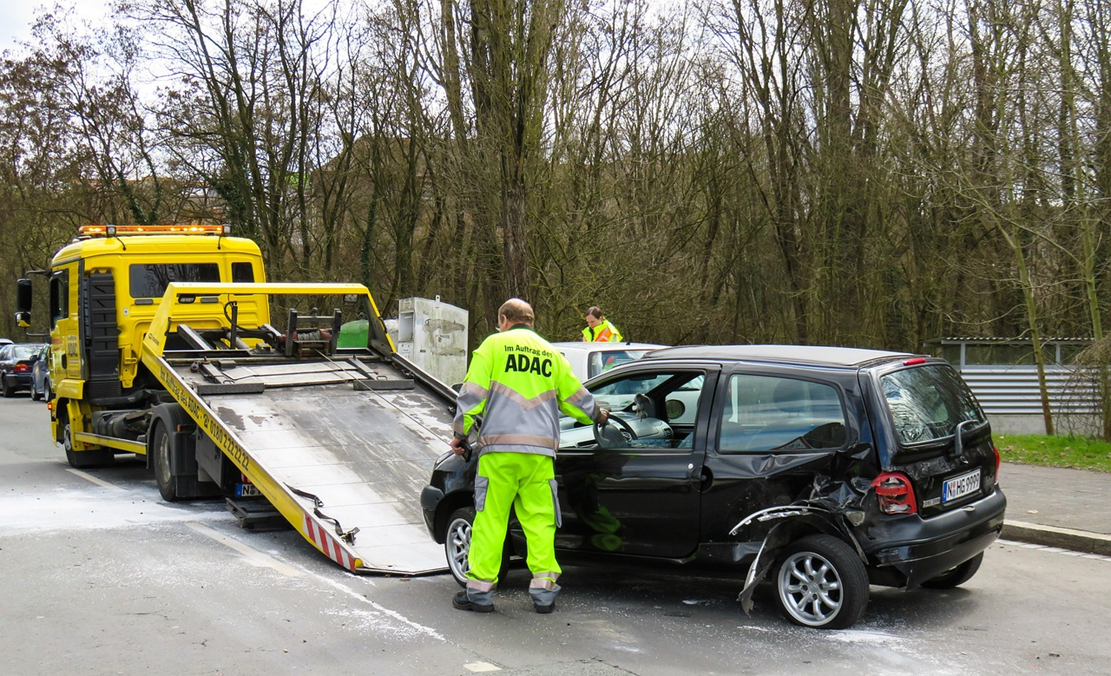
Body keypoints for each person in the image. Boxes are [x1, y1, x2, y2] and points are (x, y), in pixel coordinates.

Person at [450, 298, 609, 614]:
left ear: (504, 320)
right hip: (539, 454)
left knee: (491, 520)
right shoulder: (551, 354)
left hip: (499, 451)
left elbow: (472, 395)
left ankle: (480, 592)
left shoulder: (493, 346)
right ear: (531, 321)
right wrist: (598, 414)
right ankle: (544, 592)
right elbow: (576, 398)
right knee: (540, 522)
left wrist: (460, 433)